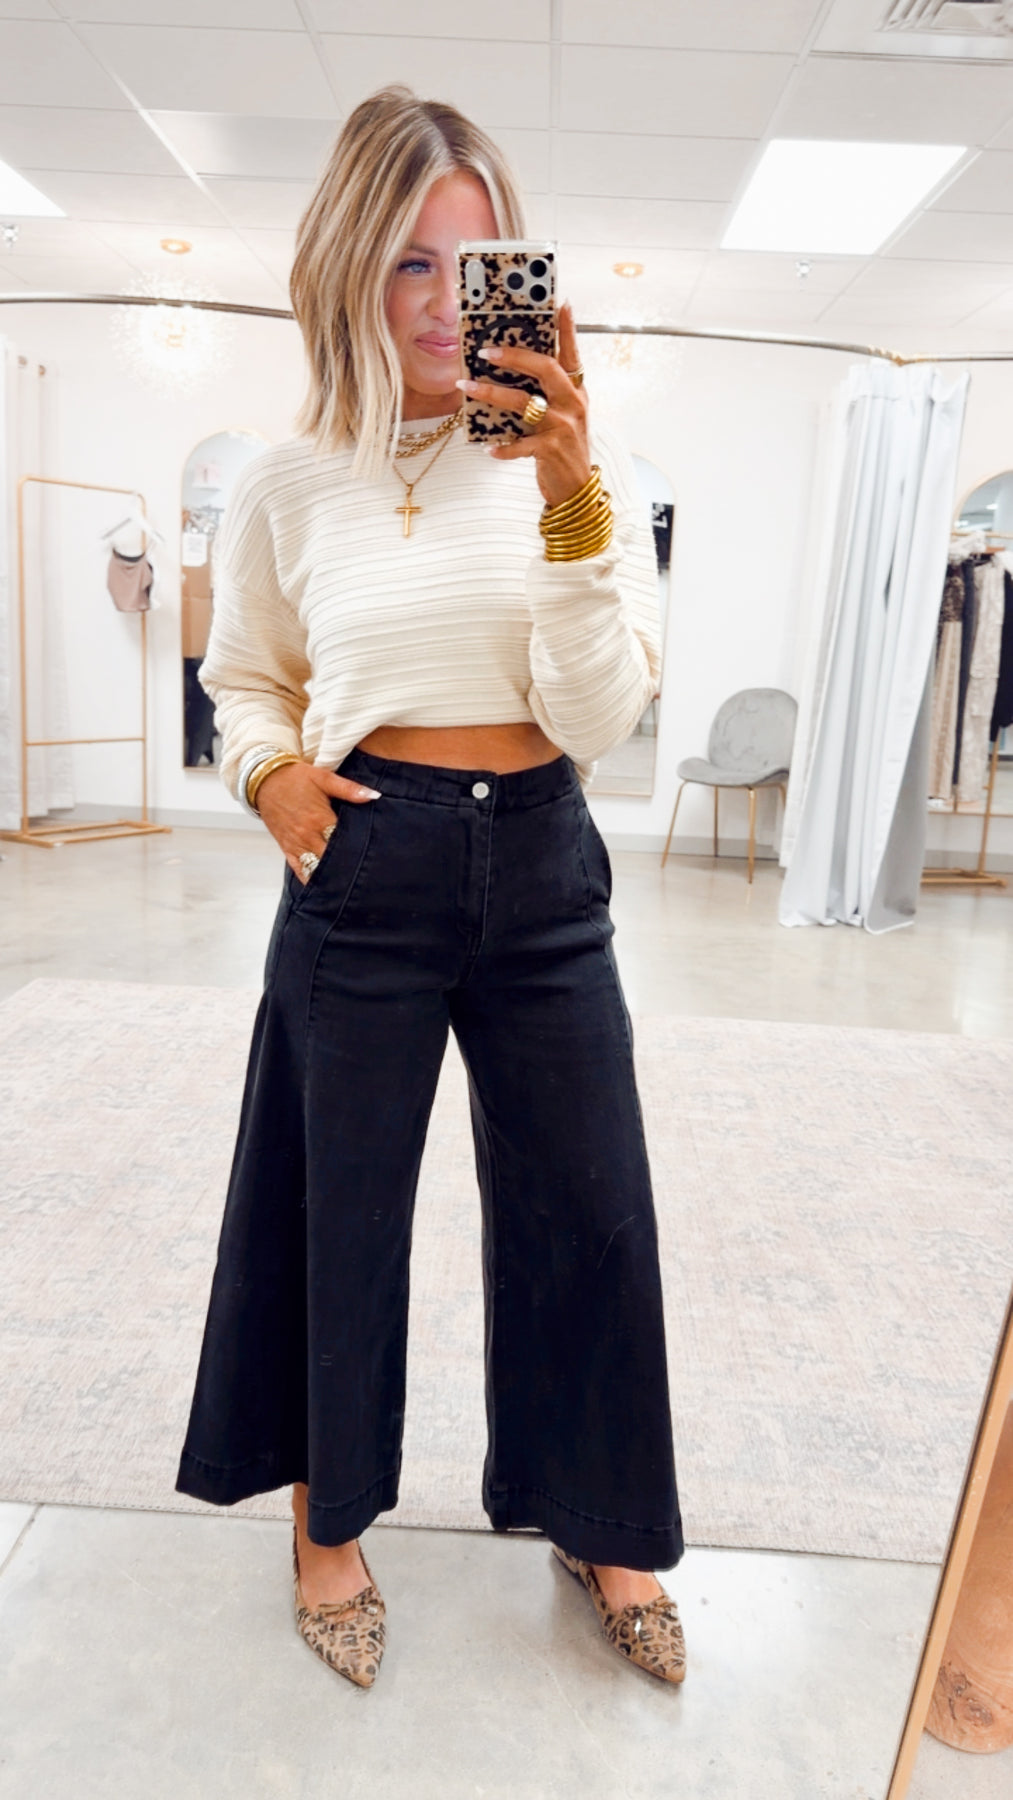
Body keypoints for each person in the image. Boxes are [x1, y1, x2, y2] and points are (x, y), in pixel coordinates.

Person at [175, 84, 685, 1691]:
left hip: (541, 862)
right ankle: (327, 1523)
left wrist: (567, 494)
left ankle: (600, 1522)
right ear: (347, 267)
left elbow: (600, 714)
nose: (445, 305)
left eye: (473, 267)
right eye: (407, 263)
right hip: (363, 859)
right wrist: (268, 774)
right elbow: (244, 675)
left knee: (589, 1207)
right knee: (335, 1211)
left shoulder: (573, 467)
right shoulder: (289, 479)